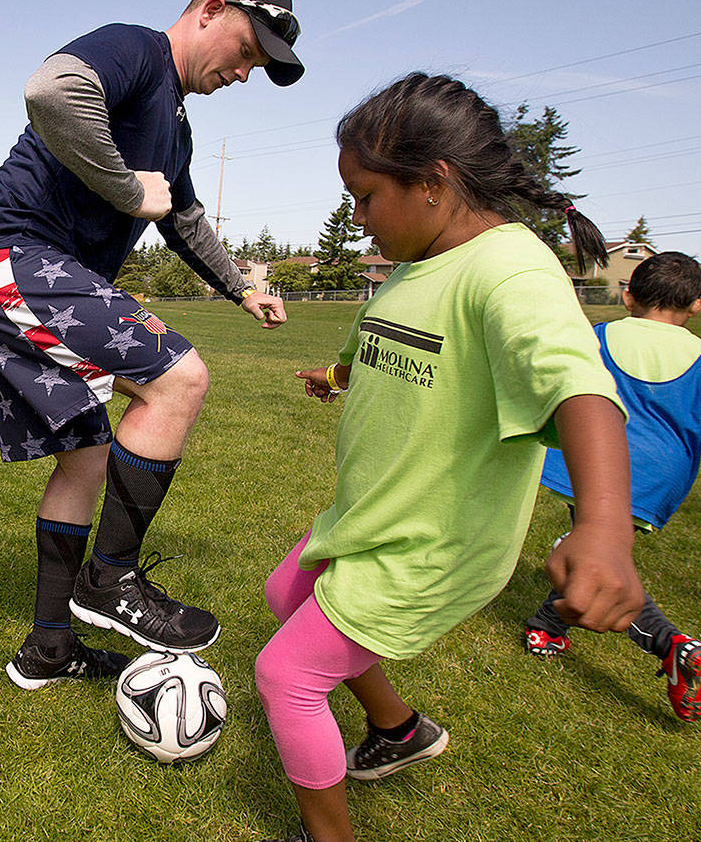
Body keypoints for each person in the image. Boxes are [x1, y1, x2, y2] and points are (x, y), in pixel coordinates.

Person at [253, 73, 646, 842]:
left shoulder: (512, 271)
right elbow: (380, 344)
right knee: (284, 595)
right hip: (373, 513)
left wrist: (605, 527)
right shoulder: (413, 265)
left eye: (365, 197)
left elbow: (578, 386)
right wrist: (334, 377)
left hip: (434, 541)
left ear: (432, 183)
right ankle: (399, 730)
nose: (357, 217)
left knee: (287, 675)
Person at [0, 0, 302, 689]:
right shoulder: (137, 50)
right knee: (179, 380)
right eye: (247, 51)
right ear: (212, 11)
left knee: (85, 458)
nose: (243, 72)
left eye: (257, 66)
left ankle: (48, 648)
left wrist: (243, 289)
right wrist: (129, 189)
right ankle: (110, 579)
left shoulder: (175, 119)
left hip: (17, 271)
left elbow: (185, 219)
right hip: (3, 257)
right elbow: (51, 90)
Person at [524, 251, 701, 721]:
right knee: (596, 547)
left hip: (593, 462)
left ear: (628, 295)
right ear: (697, 305)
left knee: (594, 554)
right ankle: (548, 624)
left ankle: (672, 645)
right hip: (658, 478)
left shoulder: (601, 336)